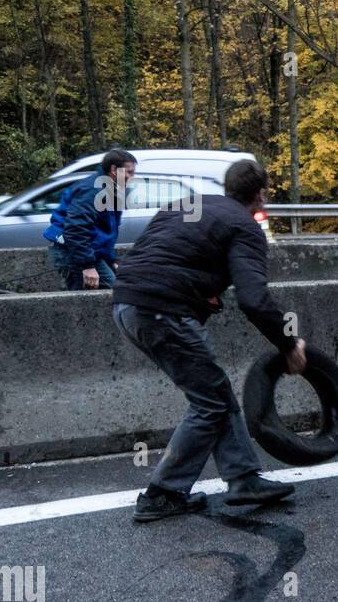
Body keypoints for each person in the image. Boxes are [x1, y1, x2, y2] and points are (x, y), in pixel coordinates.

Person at [111, 159, 305, 522]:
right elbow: (254, 300)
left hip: (125, 304)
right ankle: (162, 494)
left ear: (227, 187)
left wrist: (202, 290)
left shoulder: (188, 205)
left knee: (213, 392)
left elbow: (169, 254)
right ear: (260, 195)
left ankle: (244, 478)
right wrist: (289, 343)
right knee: (209, 403)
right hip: (161, 310)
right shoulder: (246, 227)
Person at [44, 148, 136, 290]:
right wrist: (87, 266)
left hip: (83, 251)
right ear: (113, 170)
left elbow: (104, 232)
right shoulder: (92, 190)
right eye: (129, 172)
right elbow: (76, 228)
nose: (132, 177)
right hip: (71, 251)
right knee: (98, 296)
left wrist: (111, 259)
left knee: (111, 291)